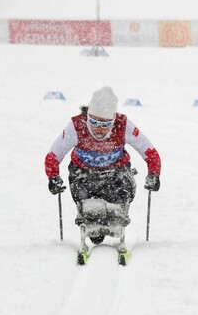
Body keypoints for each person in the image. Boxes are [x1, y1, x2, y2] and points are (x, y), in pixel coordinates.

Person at [44, 86, 161, 250]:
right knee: (92, 219)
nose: (99, 129)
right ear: (88, 117)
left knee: (116, 210)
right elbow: (53, 155)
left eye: (106, 124)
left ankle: (116, 219)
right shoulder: (76, 126)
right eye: (94, 122)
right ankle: (91, 224)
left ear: (113, 120)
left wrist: (154, 174)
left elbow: (150, 152)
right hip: (83, 174)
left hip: (116, 173)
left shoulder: (123, 125)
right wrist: (53, 177)